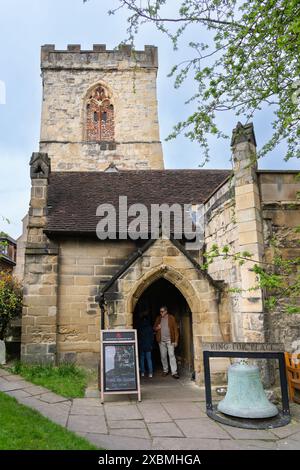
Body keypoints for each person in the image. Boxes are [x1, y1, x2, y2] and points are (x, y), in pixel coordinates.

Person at [154, 305, 179, 379]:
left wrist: (176, 341)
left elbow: (175, 330)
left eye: (162, 311)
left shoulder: (171, 318)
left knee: (171, 355)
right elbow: (154, 328)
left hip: (170, 340)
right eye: (160, 311)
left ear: (166, 311)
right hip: (161, 341)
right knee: (163, 356)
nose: (161, 313)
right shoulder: (158, 318)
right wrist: (157, 328)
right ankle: (165, 370)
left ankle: (174, 372)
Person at [137, 310, 154, 378]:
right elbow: (152, 337)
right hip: (148, 345)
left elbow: (138, 336)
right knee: (149, 359)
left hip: (142, 345)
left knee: (142, 359)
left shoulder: (140, 327)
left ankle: (143, 372)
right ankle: (150, 373)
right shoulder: (150, 327)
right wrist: (151, 344)